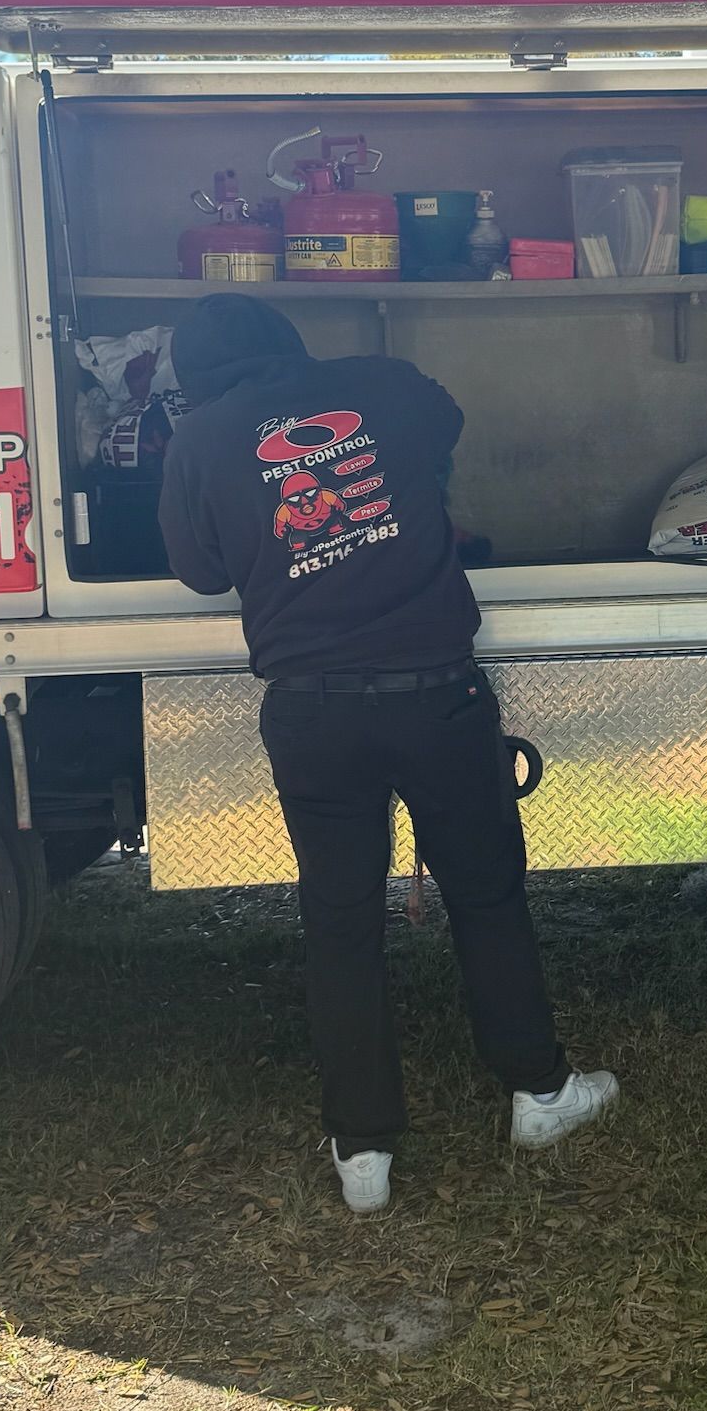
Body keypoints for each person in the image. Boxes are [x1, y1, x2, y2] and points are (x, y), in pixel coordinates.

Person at [158, 294, 617, 1214]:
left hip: (312, 714)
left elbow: (201, 570)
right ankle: (539, 1093)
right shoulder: (382, 385)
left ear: (190, 378)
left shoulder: (199, 440)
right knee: (486, 893)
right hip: (435, 697)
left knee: (340, 921)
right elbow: (446, 420)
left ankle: (362, 1153)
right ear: (291, 341)